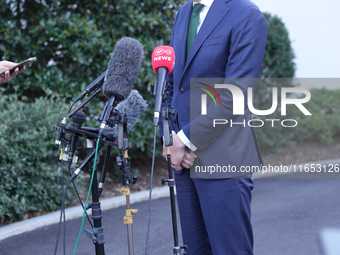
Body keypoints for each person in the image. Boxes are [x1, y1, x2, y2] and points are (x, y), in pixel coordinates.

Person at [161, 0, 267, 254]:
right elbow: (173, 84)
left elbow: (236, 95)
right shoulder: (184, 13)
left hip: (225, 162)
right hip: (185, 164)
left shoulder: (247, 15)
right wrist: (169, 137)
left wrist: (185, 139)